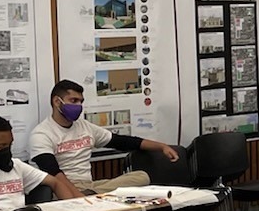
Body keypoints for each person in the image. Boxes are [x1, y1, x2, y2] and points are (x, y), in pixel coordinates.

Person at [28, 80, 178, 194]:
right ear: (56, 102)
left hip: (91, 187)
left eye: (81, 101)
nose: (79, 106)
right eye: (73, 101)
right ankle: (97, 198)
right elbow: (54, 173)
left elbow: (123, 142)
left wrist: (162, 146)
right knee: (102, 196)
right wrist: (78, 198)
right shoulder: (41, 134)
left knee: (142, 177)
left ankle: (95, 196)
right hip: (61, 189)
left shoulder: (84, 126)